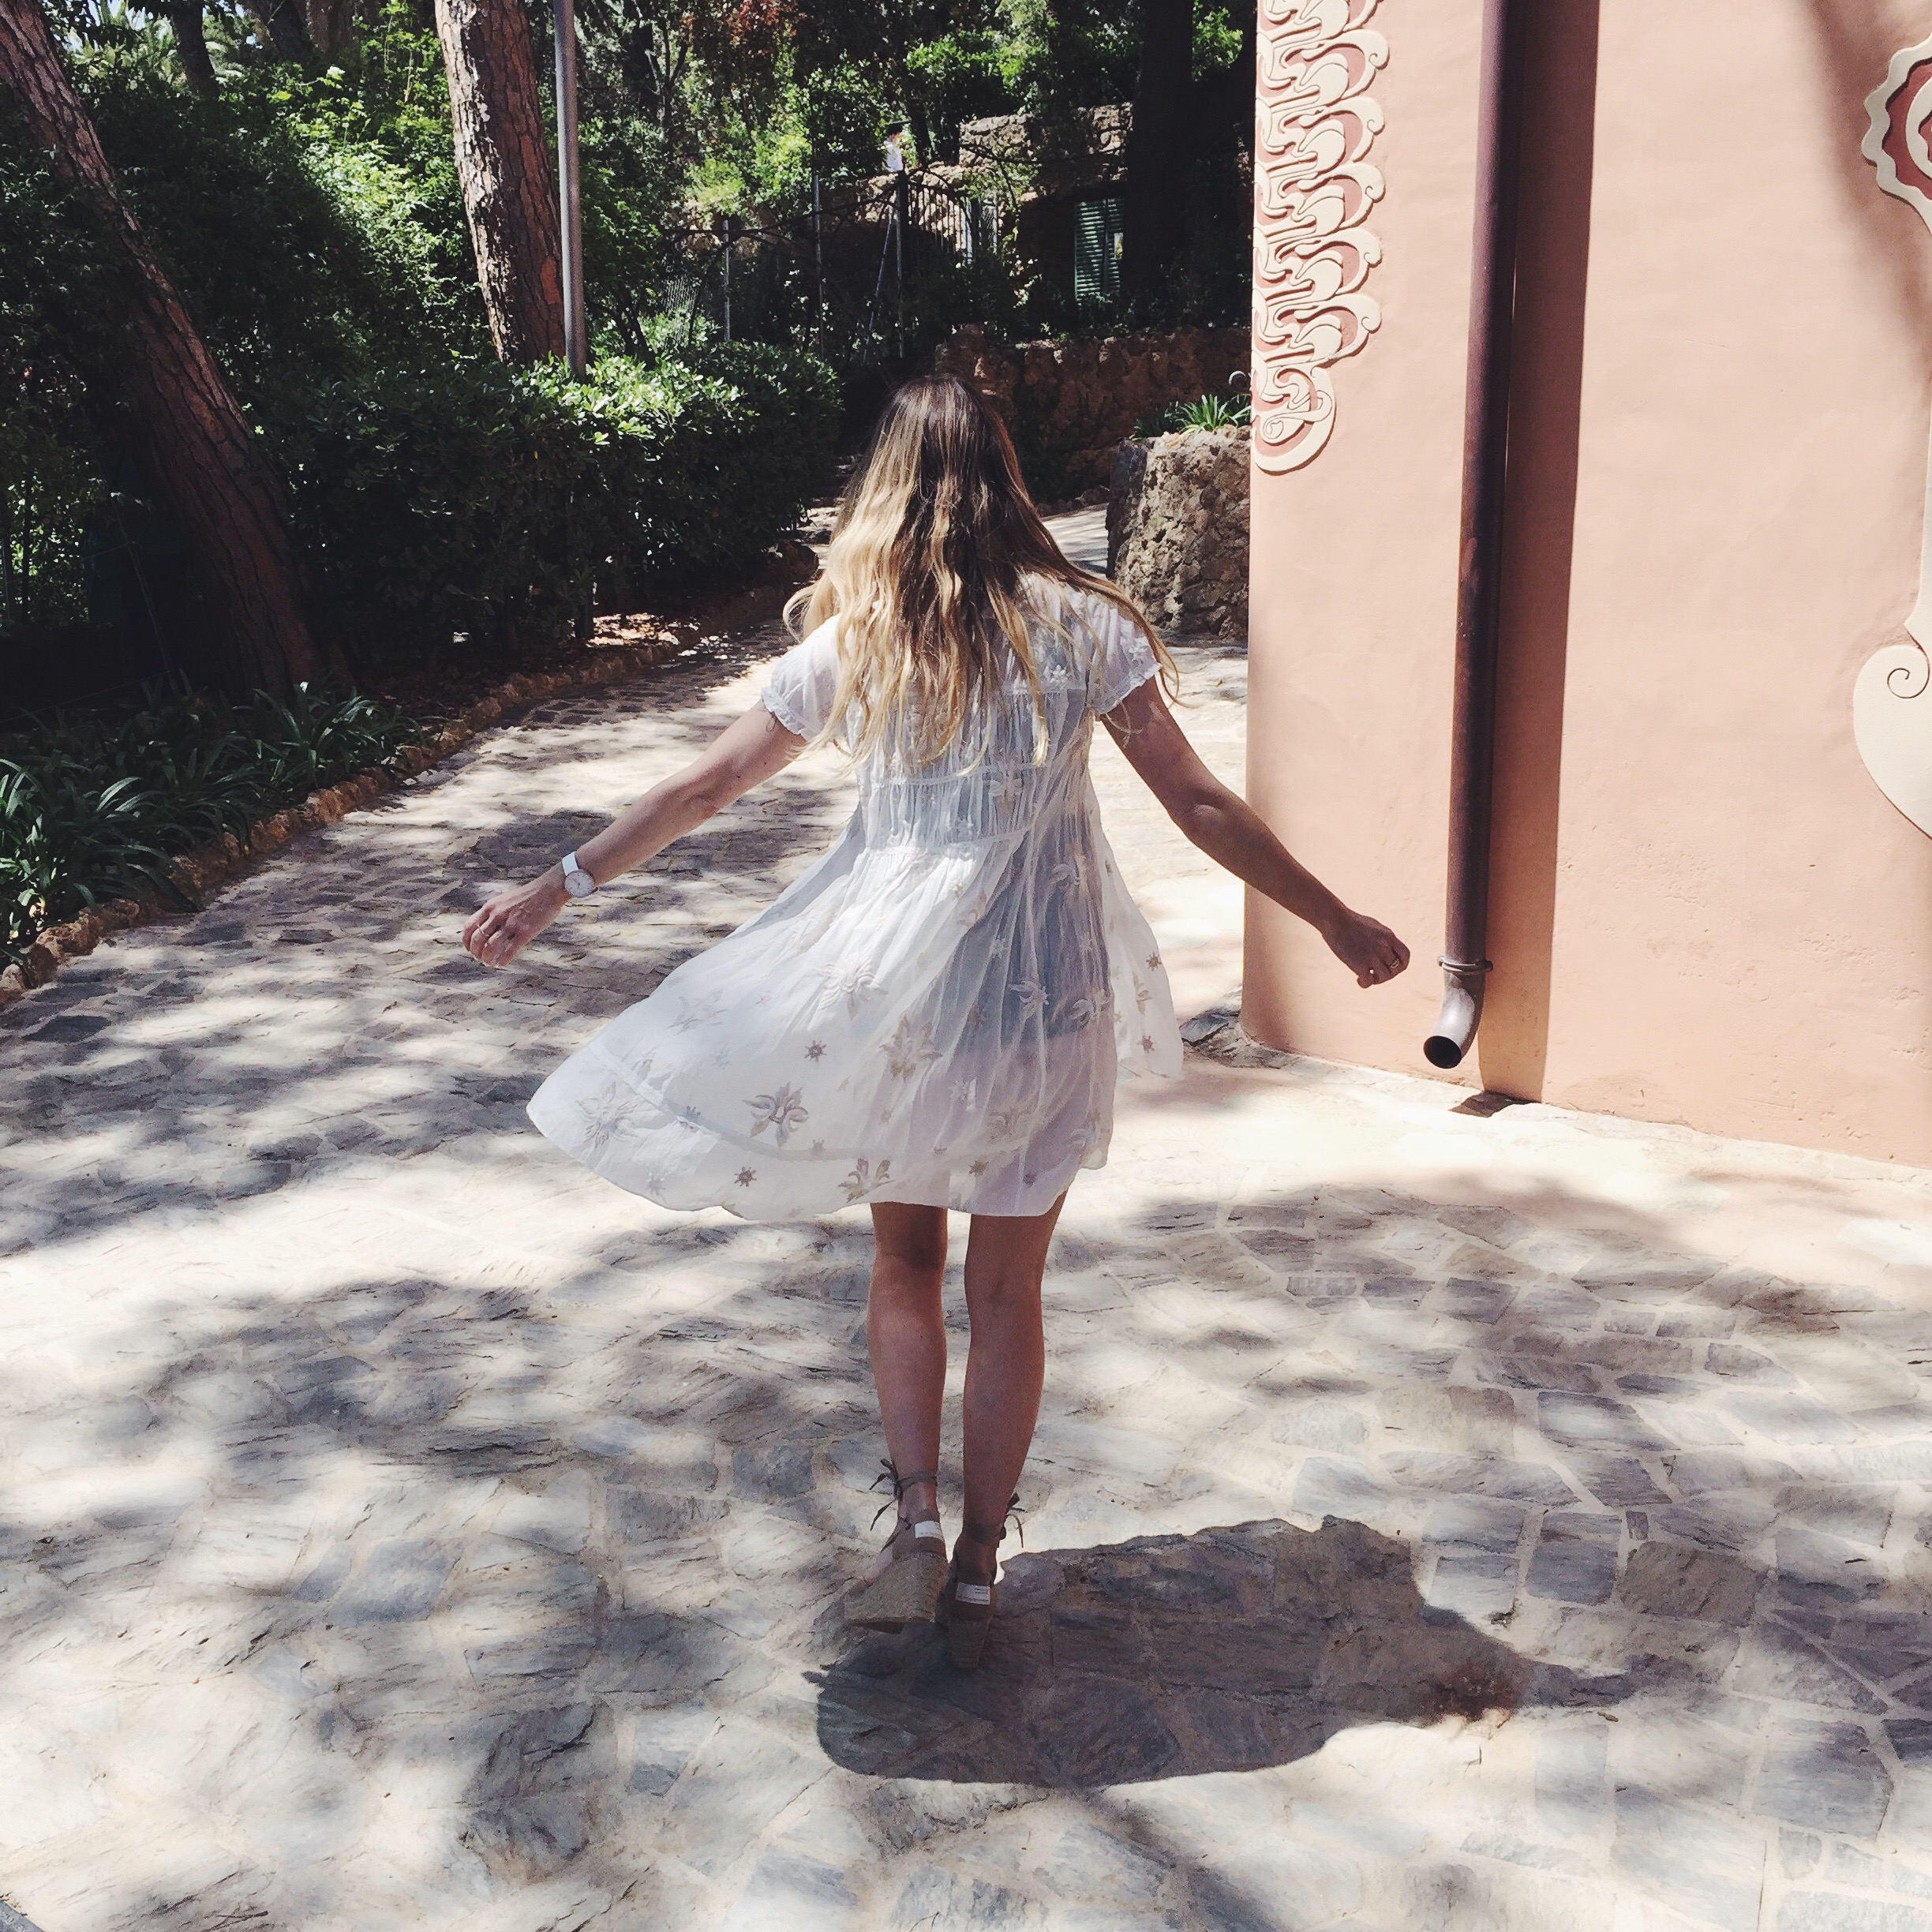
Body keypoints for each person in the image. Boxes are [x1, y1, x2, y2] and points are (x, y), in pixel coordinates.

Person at [462, 375, 1409, 1668]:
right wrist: (1334, 918)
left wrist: (553, 889)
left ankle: (912, 1517)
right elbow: (1196, 803)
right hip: (1043, 995)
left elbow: (705, 787)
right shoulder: (1085, 629)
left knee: (906, 1265)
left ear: (888, 490)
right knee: (1007, 1291)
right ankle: (974, 1570)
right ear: (1008, 480)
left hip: (902, 1005)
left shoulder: (863, 639)